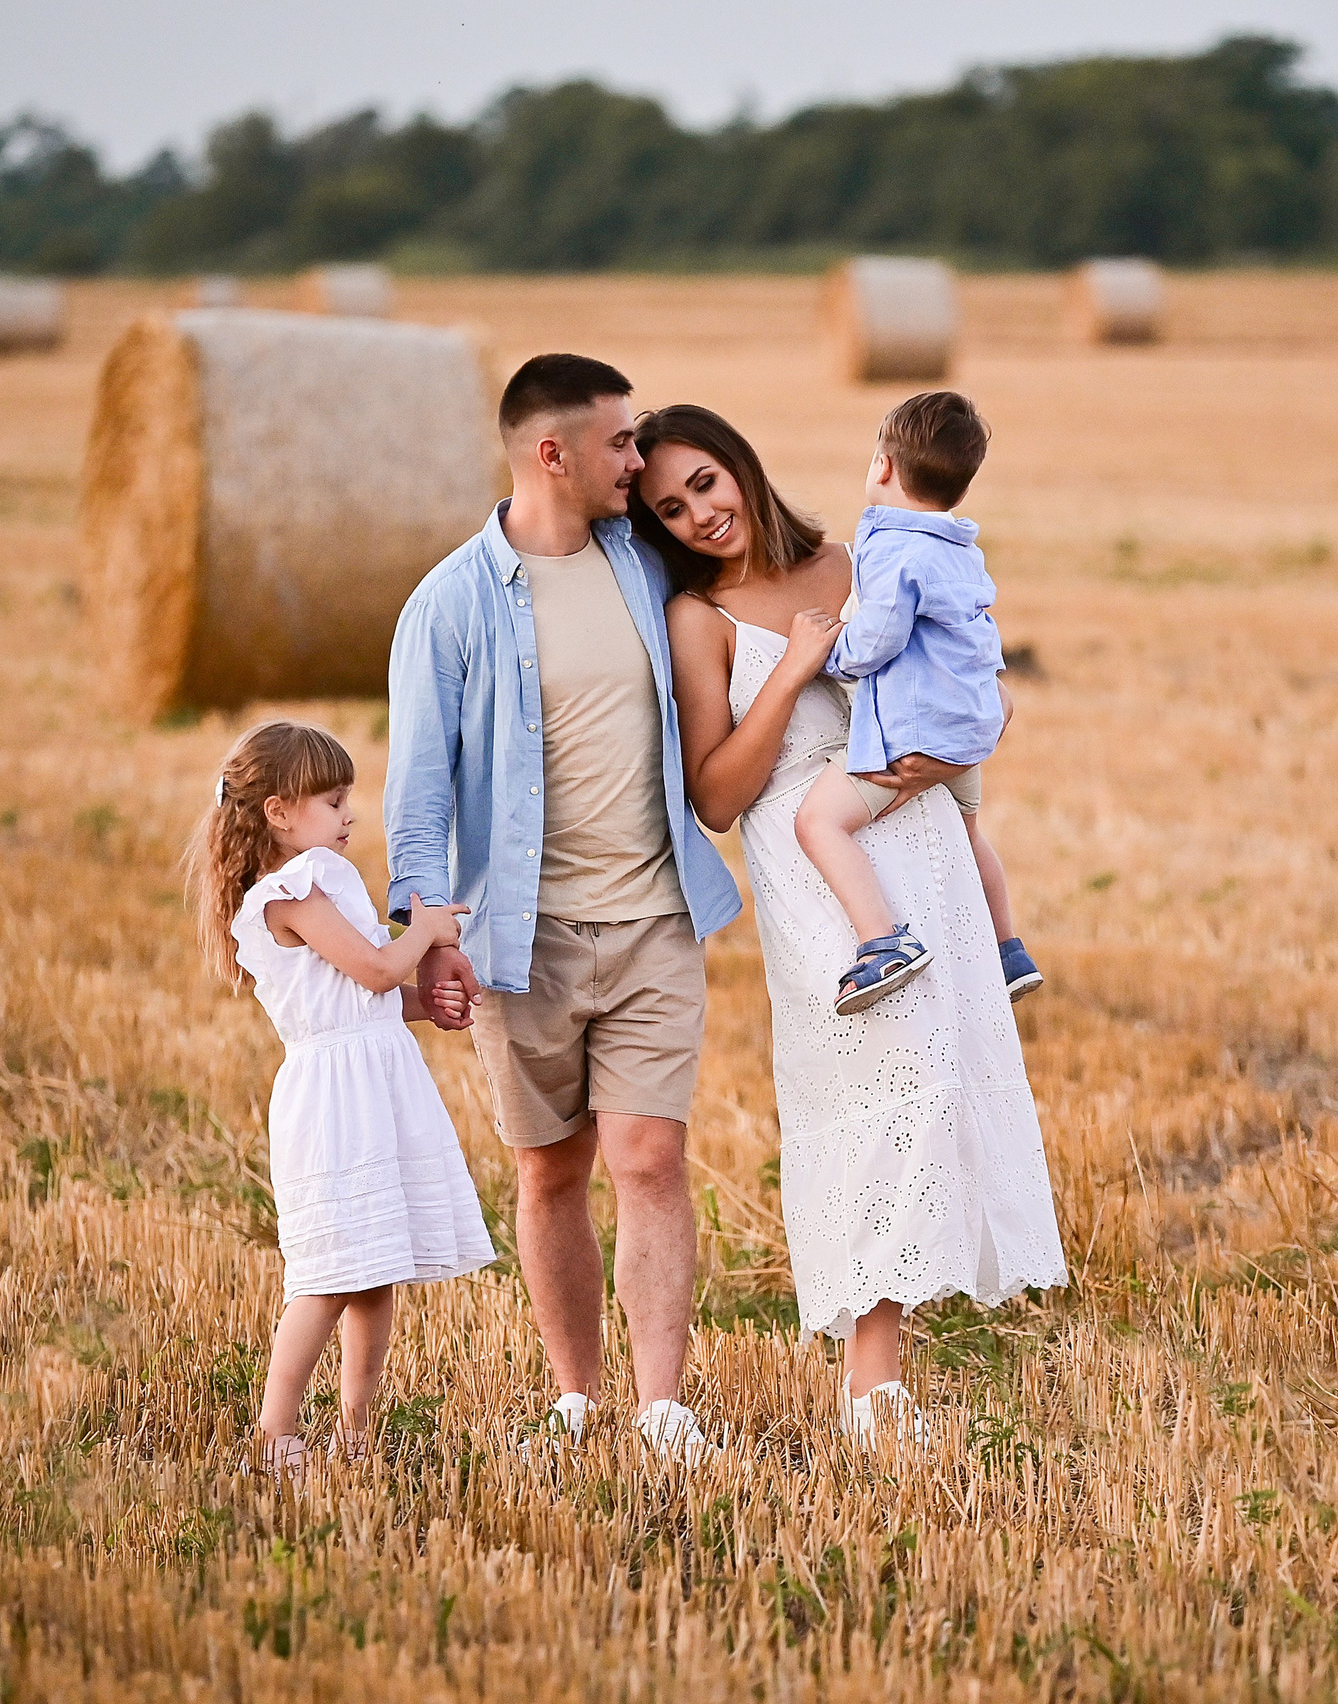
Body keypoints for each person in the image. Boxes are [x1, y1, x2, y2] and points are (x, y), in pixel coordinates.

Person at [636, 403, 1069, 1448]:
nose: (698, 513)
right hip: (812, 873)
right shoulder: (697, 619)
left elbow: (960, 665)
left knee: (934, 1087)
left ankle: (885, 1377)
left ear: (741, 466)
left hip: (912, 838)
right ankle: (871, 1391)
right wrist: (788, 670)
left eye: (705, 482)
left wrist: (955, 749)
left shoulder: (852, 559)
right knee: (874, 1097)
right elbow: (716, 796)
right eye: (669, 508)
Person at [386, 354, 743, 1465]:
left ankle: (661, 1407)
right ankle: (577, 1396)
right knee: (551, 1170)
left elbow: (764, 573)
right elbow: (417, 799)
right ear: (555, 454)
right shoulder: (447, 604)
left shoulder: (650, 565)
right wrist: (424, 936)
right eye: (622, 445)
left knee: (649, 1159)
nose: (640, 463)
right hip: (518, 939)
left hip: (653, 922)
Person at [181, 719, 492, 1477]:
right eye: (332, 800)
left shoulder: (322, 882)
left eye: (348, 798)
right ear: (281, 813)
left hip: (373, 1084)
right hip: (333, 1102)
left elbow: (368, 995)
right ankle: (276, 1429)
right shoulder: (289, 894)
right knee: (327, 1279)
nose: (350, 814)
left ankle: (359, 1435)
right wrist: (425, 931)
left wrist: (430, 1006)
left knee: (377, 1269)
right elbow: (380, 971)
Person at [793, 390, 1042, 1014]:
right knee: (970, 832)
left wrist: (826, 655)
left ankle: (883, 942)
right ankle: (1007, 948)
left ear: (882, 465)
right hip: (969, 730)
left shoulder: (888, 546)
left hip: (916, 737)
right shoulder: (960, 546)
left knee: (819, 822)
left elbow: (877, 638)